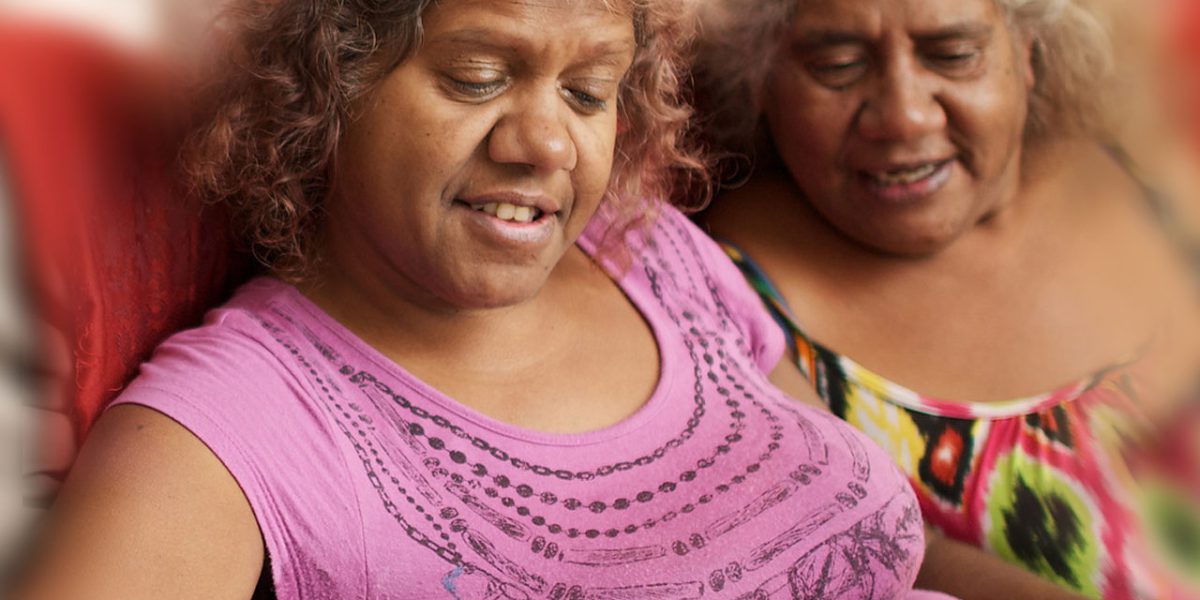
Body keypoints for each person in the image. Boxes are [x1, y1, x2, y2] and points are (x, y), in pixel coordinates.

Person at [12, 0, 958, 598]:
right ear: (326, 85)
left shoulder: (648, 251)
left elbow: (877, 532)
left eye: (590, 93)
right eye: (479, 77)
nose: (548, 145)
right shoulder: (237, 427)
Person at [693, 0, 1200, 598]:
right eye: (837, 64)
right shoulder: (721, 294)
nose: (904, 117)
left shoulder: (1138, 170)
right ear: (757, 78)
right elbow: (895, 554)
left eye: (954, 56)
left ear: (1028, 55)